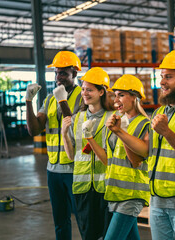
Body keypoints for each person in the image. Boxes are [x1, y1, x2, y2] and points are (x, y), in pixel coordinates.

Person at [109, 50, 175, 240]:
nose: (162, 82)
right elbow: (146, 152)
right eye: (161, 76)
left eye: (169, 77)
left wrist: (166, 132)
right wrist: (119, 132)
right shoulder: (159, 112)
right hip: (157, 201)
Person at [25, 51, 82, 240]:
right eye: (56, 73)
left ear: (74, 73)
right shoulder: (49, 99)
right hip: (53, 171)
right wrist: (28, 102)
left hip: (76, 170)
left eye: (63, 73)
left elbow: (74, 126)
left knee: (83, 220)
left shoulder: (84, 97)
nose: (58, 78)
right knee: (60, 221)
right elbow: (34, 130)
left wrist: (63, 100)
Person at [88, 74, 150, 240]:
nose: (116, 100)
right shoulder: (119, 122)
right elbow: (109, 160)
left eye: (121, 95)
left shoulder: (145, 124)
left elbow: (136, 161)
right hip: (116, 193)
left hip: (132, 194)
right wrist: (89, 138)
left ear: (135, 97)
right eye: (115, 95)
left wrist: (121, 132)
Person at [61, 67, 114, 240]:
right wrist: (64, 134)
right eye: (83, 89)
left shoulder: (113, 118)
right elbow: (71, 156)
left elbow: (110, 159)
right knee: (88, 236)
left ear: (101, 91)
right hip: (82, 189)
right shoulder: (77, 118)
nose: (84, 93)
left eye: (89, 89)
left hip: (105, 188)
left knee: (108, 236)